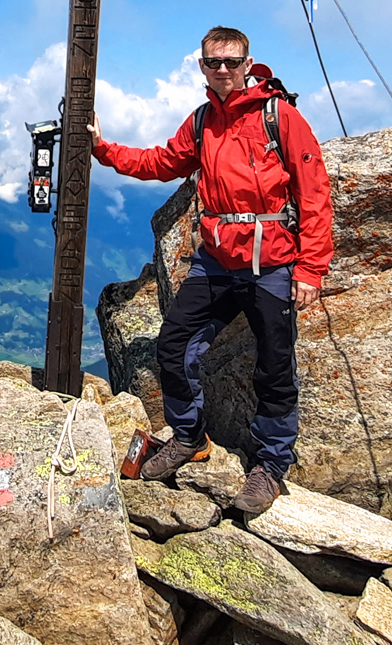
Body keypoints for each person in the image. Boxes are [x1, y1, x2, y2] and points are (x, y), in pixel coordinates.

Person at [89, 25, 334, 515]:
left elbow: (314, 192)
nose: (222, 70)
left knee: (273, 364)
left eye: (231, 61)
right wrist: (102, 147)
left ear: (248, 64)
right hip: (217, 261)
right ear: (201, 66)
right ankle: (188, 438)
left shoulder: (280, 118)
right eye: (212, 62)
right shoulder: (203, 122)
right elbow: (161, 161)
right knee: (174, 343)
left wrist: (310, 269)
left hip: (273, 263)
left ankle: (269, 466)